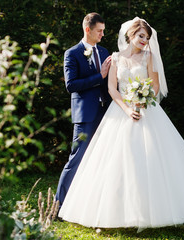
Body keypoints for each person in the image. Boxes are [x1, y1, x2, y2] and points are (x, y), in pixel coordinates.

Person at [58, 17, 184, 229]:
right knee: (109, 162)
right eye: (141, 36)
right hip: (118, 112)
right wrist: (126, 108)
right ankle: (89, 208)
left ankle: (156, 210)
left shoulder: (149, 57)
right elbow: (112, 88)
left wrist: (144, 100)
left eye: (147, 37)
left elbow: (155, 84)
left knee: (152, 159)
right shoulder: (114, 57)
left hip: (146, 111)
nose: (145, 40)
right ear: (130, 35)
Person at [55, 13, 112, 208]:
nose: (102, 34)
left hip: (107, 113)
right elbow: (71, 85)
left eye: (103, 31)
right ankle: (58, 205)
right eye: (99, 31)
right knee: (76, 159)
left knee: (103, 158)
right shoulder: (72, 53)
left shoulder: (104, 52)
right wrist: (99, 76)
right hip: (85, 116)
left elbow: (111, 83)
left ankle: (92, 204)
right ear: (88, 30)